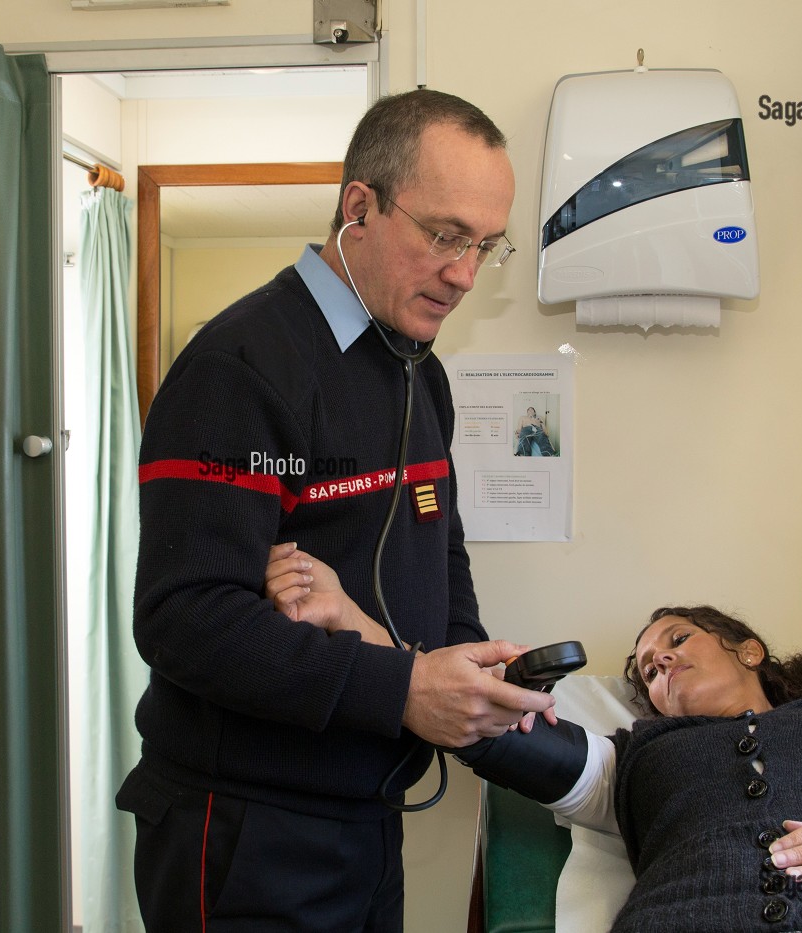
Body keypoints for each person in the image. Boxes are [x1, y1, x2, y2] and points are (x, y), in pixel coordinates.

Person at [116, 89, 553, 933]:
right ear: (360, 206)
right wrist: (401, 688)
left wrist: (462, 670)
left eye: (484, 247)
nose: (464, 273)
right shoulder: (240, 369)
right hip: (247, 831)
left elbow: (439, 542)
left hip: (363, 815)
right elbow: (185, 617)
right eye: (445, 235)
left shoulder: (414, 365)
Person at [266, 563, 802, 933]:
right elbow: (485, 724)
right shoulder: (638, 755)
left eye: (676, 640)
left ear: (749, 648)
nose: (659, 663)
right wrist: (355, 624)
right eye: (644, 670)